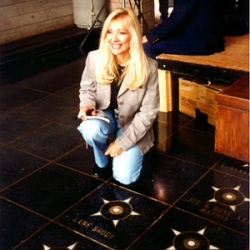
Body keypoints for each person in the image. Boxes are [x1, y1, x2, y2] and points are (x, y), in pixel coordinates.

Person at [77, 8, 159, 185]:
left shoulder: (149, 67)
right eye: (109, 32)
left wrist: (123, 143)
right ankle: (102, 162)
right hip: (104, 117)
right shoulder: (94, 58)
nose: (114, 39)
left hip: (131, 123)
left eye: (121, 33)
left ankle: (126, 153)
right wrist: (87, 104)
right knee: (90, 129)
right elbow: (87, 88)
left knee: (125, 178)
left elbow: (148, 112)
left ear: (133, 36)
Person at [142, 0, 225, 59]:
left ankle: (165, 80)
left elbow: (175, 20)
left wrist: (149, 37)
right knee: (160, 37)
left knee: (146, 47)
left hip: (202, 39)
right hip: (205, 32)